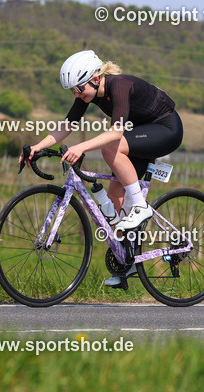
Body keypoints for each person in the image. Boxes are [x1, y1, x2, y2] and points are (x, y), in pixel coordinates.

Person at [24, 50, 184, 286]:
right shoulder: (87, 95)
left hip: (166, 129)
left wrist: (80, 148)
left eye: (79, 88)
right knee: (113, 201)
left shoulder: (120, 85)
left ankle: (141, 207)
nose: (76, 94)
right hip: (142, 133)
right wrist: (37, 147)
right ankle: (126, 263)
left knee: (111, 148)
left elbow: (116, 133)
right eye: (73, 91)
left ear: (95, 79)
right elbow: (66, 126)